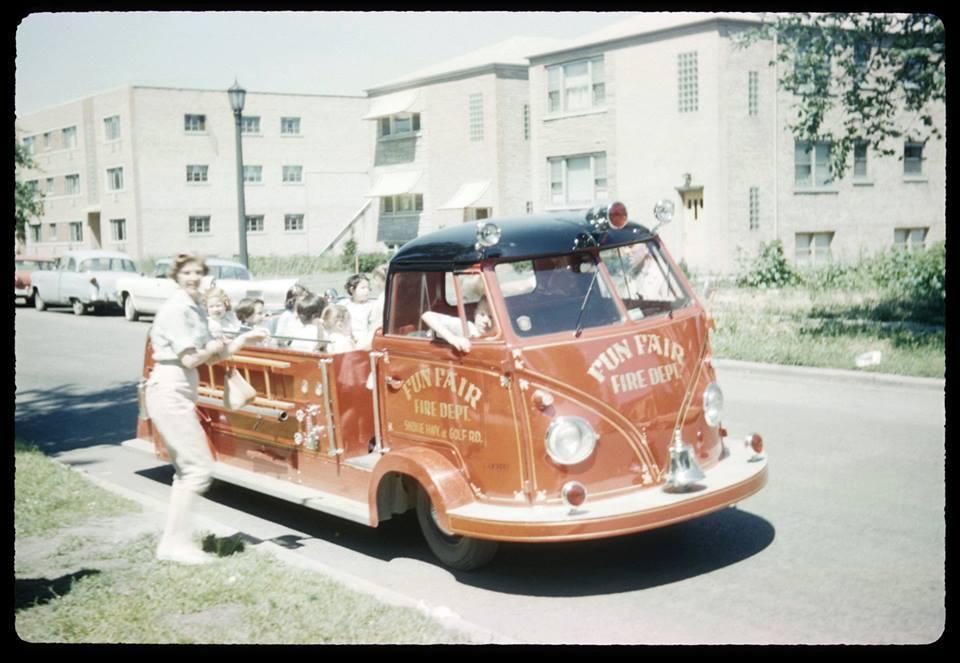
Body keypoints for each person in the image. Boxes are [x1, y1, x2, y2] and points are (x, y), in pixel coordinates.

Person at [145, 253, 267, 564]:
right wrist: (212, 347)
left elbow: (214, 356)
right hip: (169, 389)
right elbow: (191, 358)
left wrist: (244, 338)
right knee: (198, 470)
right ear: (176, 276)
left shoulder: (192, 307)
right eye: (187, 272)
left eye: (198, 272)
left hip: (178, 391)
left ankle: (172, 544)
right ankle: (177, 545)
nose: (193, 277)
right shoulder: (177, 309)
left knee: (187, 472)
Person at [420, 296, 495, 353]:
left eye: (491, 317)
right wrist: (453, 339)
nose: (485, 320)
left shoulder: (494, 334)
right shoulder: (467, 327)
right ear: (475, 314)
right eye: (482, 314)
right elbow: (427, 315)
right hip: (425, 345)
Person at [343, 274, 374, 346]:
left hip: (364, 340)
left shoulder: (371, 306)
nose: (366, 291)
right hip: (347, 338)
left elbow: (372, 327)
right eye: (363, 288)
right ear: (352, 290)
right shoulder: (345, 304)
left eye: (368, 288)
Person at [368, 264, 388, 333]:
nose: (374, 283)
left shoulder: (383, 298)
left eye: (376, 279)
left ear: (384, 281)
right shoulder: (386, 296)